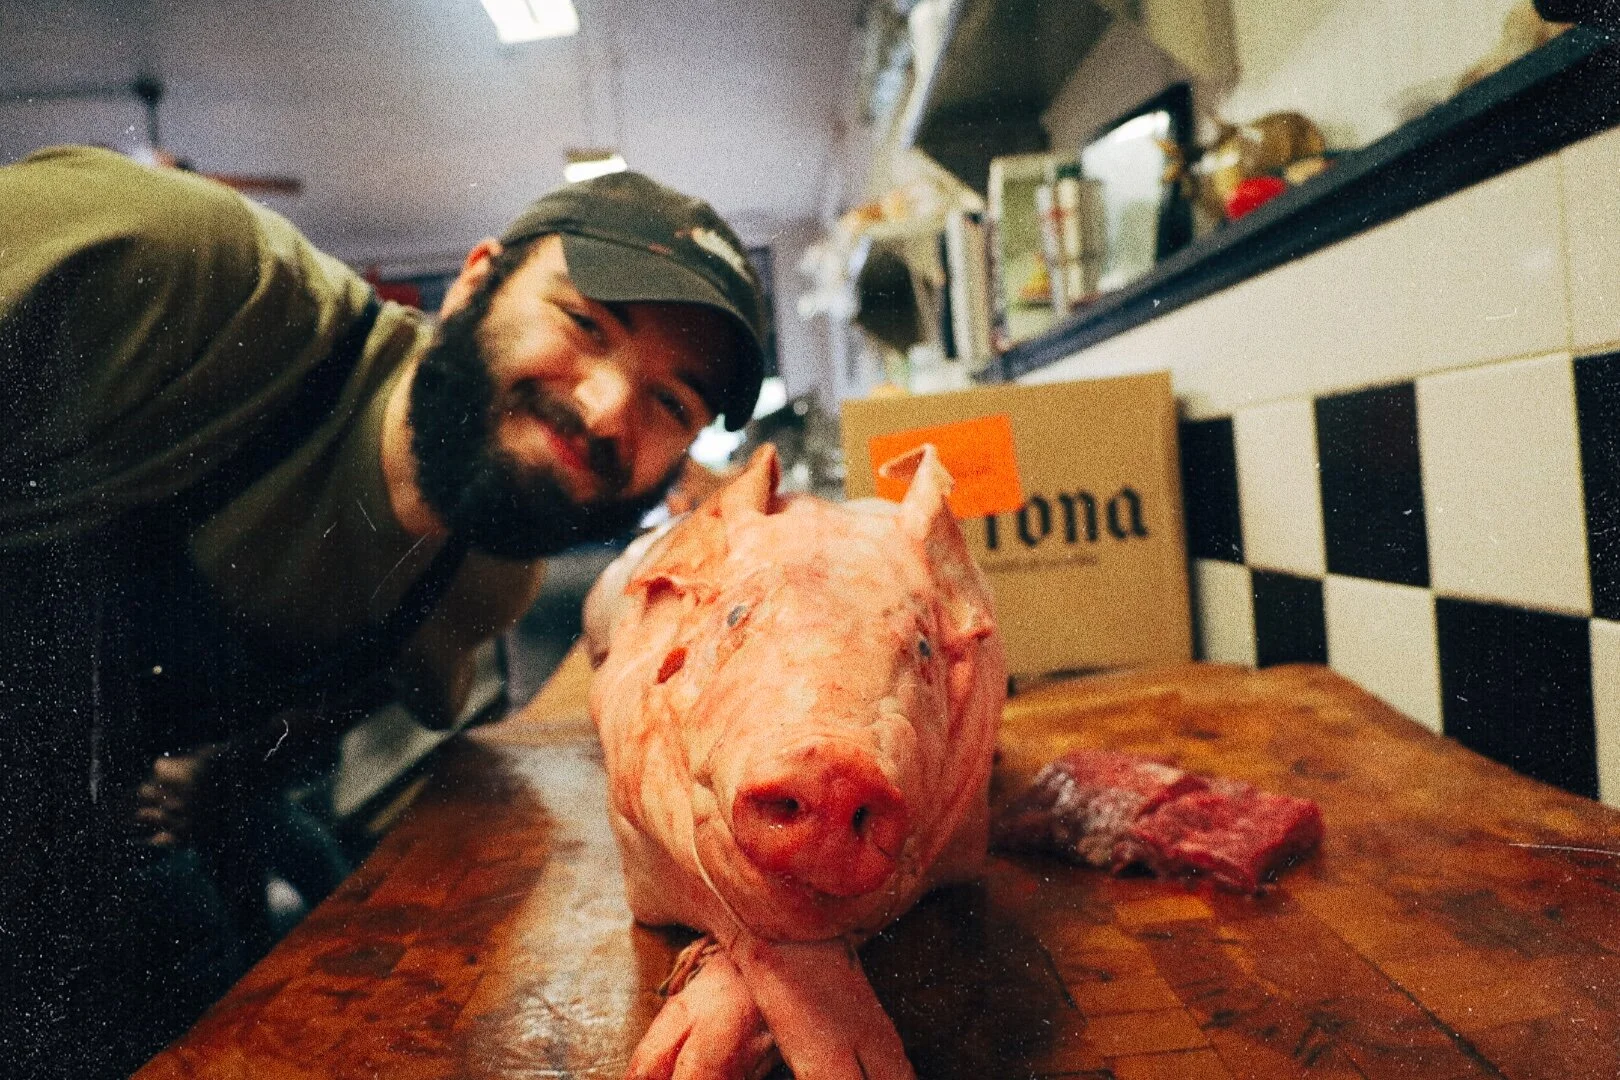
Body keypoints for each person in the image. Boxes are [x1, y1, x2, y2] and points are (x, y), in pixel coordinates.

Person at [0, 145, 766, 1077]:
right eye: (585, 323)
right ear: (476, 280)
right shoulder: (184, 273)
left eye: (671, 401)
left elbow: (318, 710)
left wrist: (224, 775)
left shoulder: (479, 582)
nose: (608, 410)